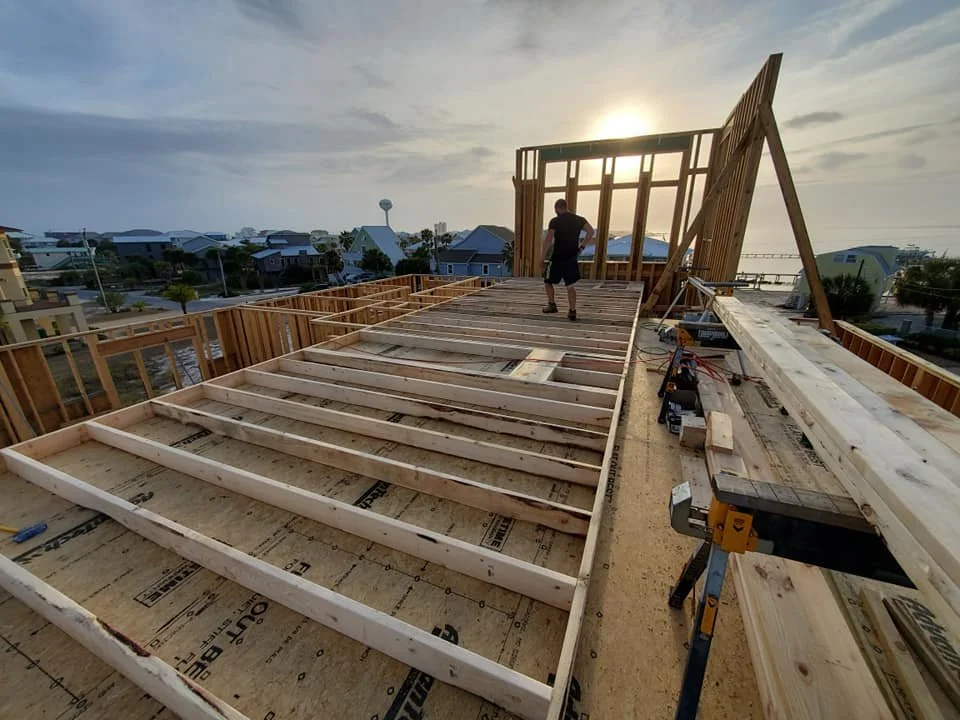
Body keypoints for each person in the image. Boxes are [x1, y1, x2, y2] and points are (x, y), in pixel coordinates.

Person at [540, 198, 594, 321]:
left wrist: (542, 257)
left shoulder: (555, 221)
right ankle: (572, 311)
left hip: (557, 257)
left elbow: (548, 240)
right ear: (566, 207)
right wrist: (582, 247)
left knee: (547, 281)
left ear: (556, 209)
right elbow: (590, 231)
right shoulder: (579, 220)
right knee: (570, 286)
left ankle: (552, 305)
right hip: (571, 257)